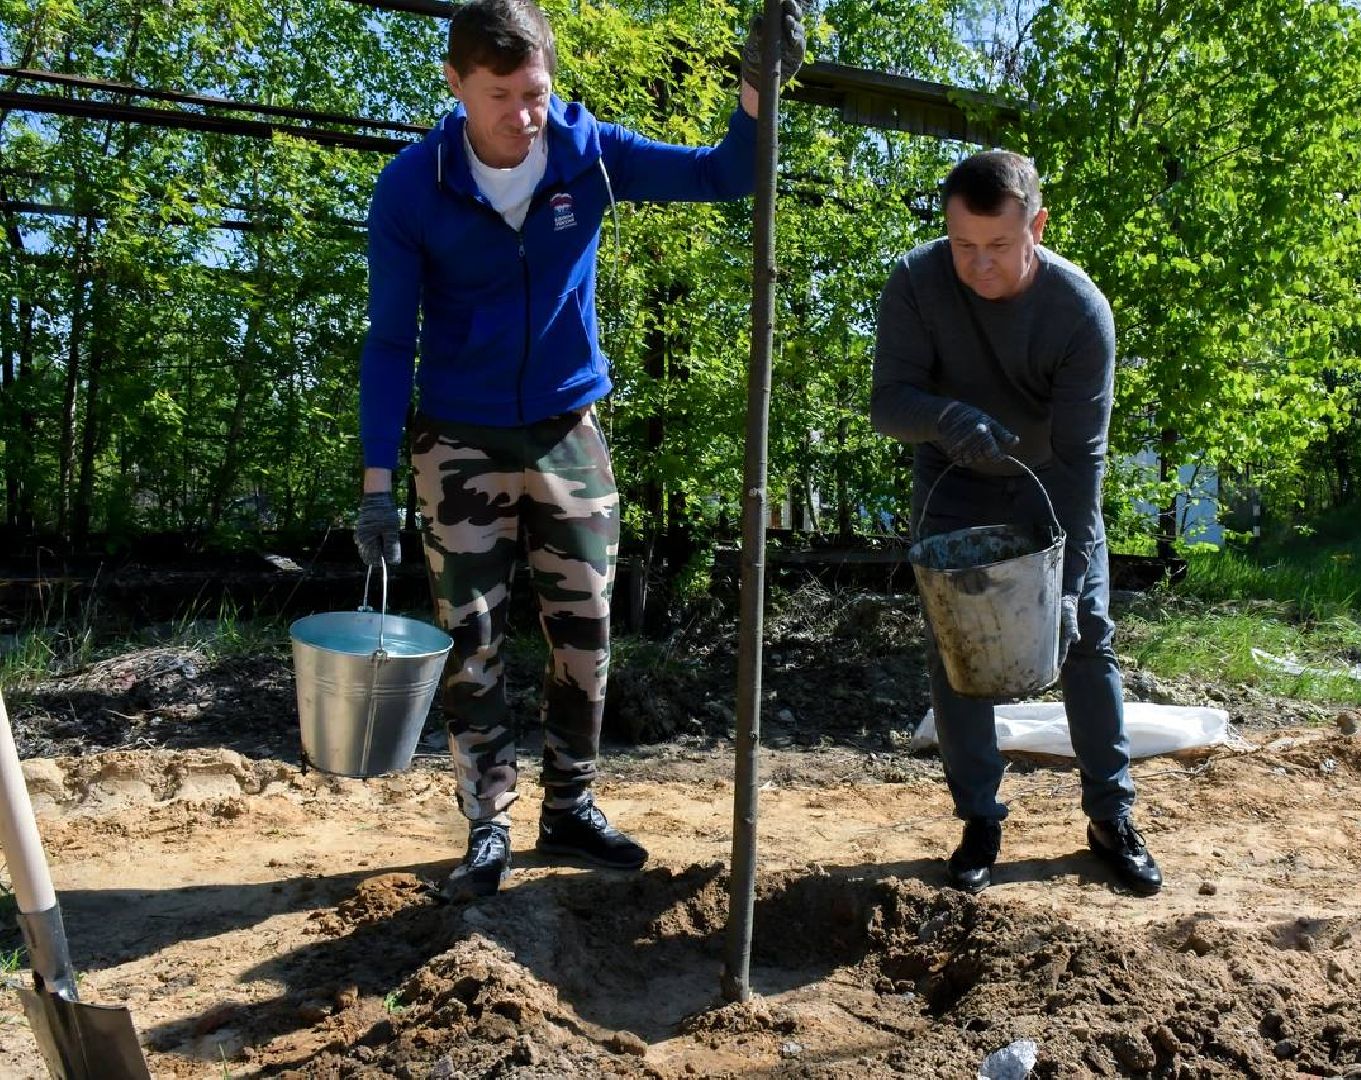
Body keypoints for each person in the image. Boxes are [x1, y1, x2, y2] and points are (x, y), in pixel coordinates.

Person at [353, 0, 806, 900]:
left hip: (568, 430)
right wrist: (376, 485)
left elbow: (725, 176)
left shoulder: (587, 151)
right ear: (454, 85)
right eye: (500, 97)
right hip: (459, 439)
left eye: (536, 92)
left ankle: (570, 806)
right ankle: (488, 823)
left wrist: (760, 88)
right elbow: (386, 341)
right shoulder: (412, 186)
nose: (524, 116)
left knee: (587, 632)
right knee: (472, 638)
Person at [870, 150, 1162, 897]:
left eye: (997, 246)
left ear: (1035, 225)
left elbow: (1079, 462)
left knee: (1086, 638)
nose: (978, 265)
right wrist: (946, 418)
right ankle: (980, 820)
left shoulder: (1076, 311)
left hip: (1051, 489)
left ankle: (1110, 817)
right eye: (962, 245)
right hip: (955, 482)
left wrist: (1061, 591)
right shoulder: (916, 282)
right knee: (956, 647)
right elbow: (887, 403)